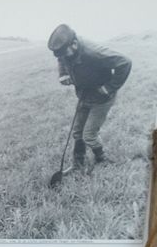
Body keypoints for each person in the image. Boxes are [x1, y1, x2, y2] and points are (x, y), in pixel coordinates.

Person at [47, 24, 132, 172]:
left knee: (89, 135)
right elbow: (61, 59)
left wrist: (109, 88)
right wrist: (63, 74)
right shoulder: (65, 50)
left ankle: (102, 159)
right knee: (77, 132)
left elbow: (125, 62)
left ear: (74, 44)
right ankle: (77, 165)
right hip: (84, 95)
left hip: (101, 99)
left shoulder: (93, 52)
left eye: (64, 53)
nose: (62, 57)